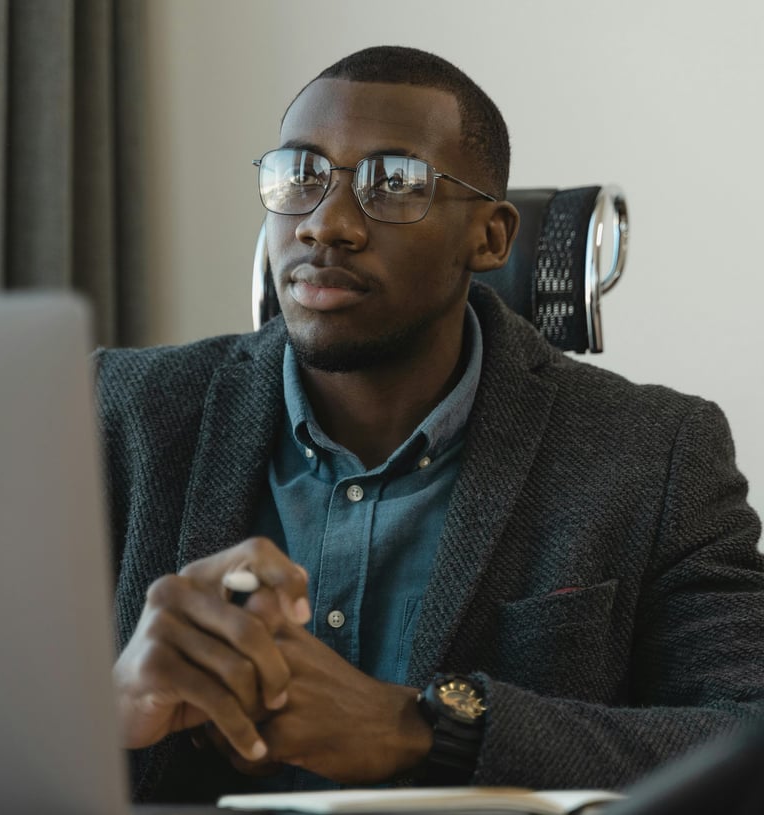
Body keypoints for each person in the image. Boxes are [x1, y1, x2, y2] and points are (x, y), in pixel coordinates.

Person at [96, 46, 764, 804]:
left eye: (395, 183)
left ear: (491, 238)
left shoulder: (654, 453)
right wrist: (105, 713)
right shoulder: (115, 415)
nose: (326, 224)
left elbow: (745, 735)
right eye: (302, 174)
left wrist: (422, 729)